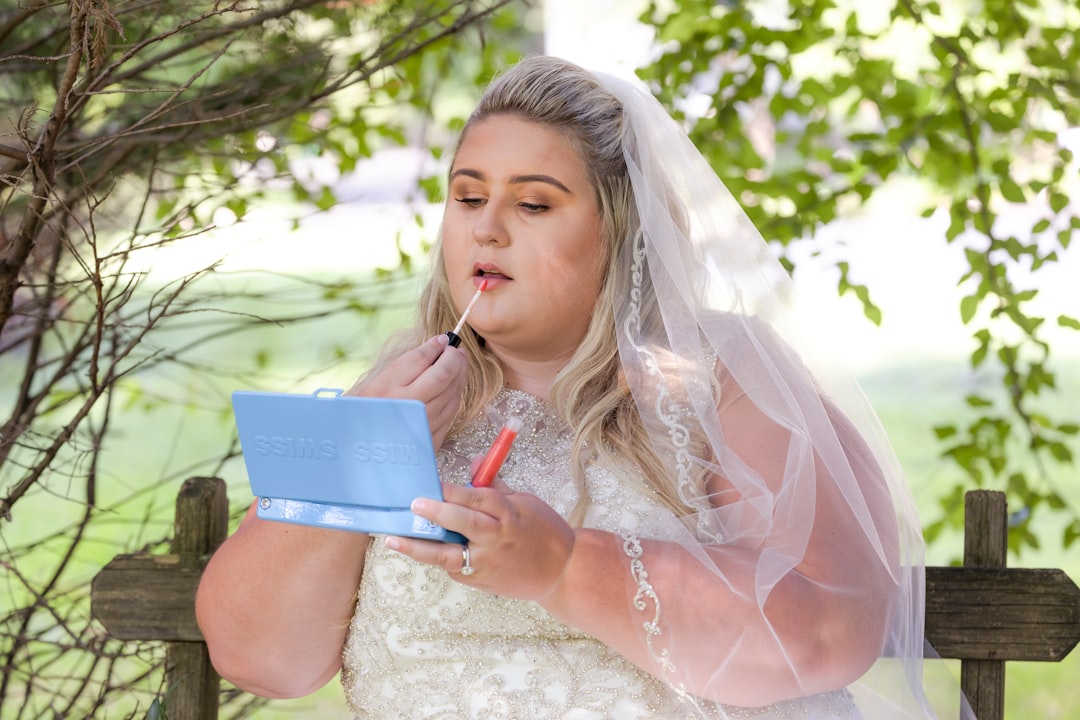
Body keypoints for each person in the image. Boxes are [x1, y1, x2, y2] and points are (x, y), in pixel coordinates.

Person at [196, 55, 974, 719]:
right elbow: (263, 661)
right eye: (468, 197)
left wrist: (566, 568)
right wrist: (355, 446)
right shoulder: (400, 394)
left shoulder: (721, 376)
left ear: (621, 231)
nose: (486, 228)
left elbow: (830, 630)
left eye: (533, 203)